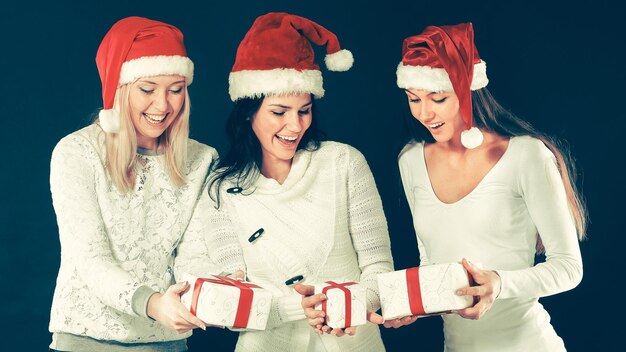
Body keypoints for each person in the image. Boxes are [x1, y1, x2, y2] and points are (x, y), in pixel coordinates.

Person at [174, 12, 393, 352]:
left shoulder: (344, 163)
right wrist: (296, 308)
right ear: (248, 111)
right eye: (279, 112)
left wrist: (347, 305)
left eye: (304, 110)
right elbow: (232, 298)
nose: (294, 126)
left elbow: (378, 268)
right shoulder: (221, 188)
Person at [48, 16, 244, 352]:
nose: (163, 105)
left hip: (166, 343)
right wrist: (153, 303)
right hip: (85, 341)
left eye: (176, 90)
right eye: (147, 89)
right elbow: (90, 258)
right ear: (120, 89)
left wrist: (200, 295)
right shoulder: (77, 152)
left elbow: (195, 252)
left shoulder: (201, 159)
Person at [389, 23, 586, 351]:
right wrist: (413, 306)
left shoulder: (526, 155)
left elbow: (569, 267)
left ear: (468, 89)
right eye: (413, 99)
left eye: (438, 98)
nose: (425, 113)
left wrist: (499, 282)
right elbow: (432, 259)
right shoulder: (410, 160)